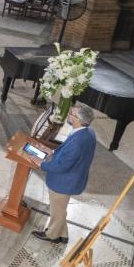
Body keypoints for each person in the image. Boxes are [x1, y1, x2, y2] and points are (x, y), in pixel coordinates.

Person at [29, 104, 97, 244]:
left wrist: (40, 163)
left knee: (57, 211)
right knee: (60, 209)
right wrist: (52, 152)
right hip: (73, 178)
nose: (69, 115)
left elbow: (62, 166)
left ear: (78, 119)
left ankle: (52, 235)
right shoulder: (87, 132)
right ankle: (63, 235)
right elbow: (69, 152)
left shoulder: (78, 141)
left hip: (64, 182)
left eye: (71, 113)